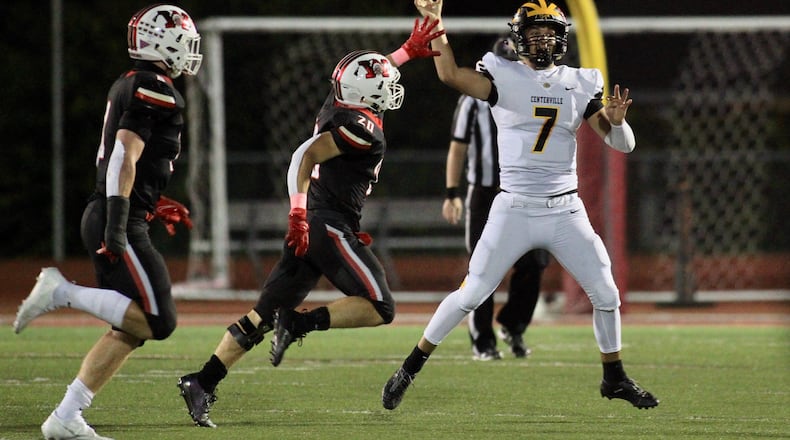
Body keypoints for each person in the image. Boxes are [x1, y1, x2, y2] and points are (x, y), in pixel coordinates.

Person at [382, 0, 659, 410]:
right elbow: (449, 74)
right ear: (519, 38)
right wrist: (436, 25)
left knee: (606, 292)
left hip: (565, 209)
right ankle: (409, 367)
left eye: (550, 33)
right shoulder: (502, 73)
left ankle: (614, 376)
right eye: (534, 34)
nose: (543, 41)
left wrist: (619, 123)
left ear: (562, 38)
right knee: (472, 293)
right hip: (513, 207)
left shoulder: (580, 82)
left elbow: (622, 145)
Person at [175, 17, 445, 428]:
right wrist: (298, 213)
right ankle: (300, 322)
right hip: (328, 224)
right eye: (384, 85)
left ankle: (202, 381)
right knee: (381, 306)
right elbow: (306, 156)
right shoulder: (364, 128)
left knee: (261, 314)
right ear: (365, 94)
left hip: (316, 223)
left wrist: (406, 51)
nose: (391, 90)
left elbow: (367, 77)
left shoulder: (339, 103)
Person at [12, 4, 201, 439]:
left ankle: (65, 417)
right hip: (117, 216)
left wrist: (154, 200)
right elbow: (123, 156)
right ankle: (63, 292)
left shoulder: (135, 83)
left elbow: (133, 160)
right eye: (185, 42)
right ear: (164, 44)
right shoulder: (154, 86)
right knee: (159, 321)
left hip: (119, 210)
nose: (190, 52)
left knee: (130, 328)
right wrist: (120, 221)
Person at [443, 36, 549, 361]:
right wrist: (452, 192)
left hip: (524, 190)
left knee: (535, 262)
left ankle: (512, 325)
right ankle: (482, 339)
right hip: (485, 192)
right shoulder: (474, 100)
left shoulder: (536, 93)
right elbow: (458, 146)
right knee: (483, 266)